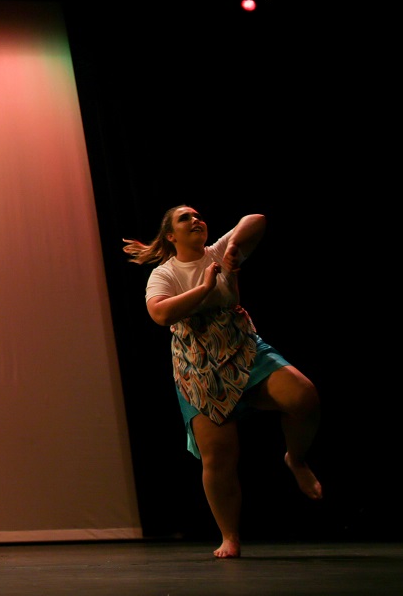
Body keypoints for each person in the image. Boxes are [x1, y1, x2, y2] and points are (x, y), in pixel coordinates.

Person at [123, 206, 321, 558]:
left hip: (242, 350)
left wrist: (232, 250)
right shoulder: (164, 274)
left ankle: (297, 459)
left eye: (197, 215)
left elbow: (257, 220)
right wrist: (206, 286)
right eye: (185, 218)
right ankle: (230, 536)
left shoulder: (217, 251)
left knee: (302, 395)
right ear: (171, 236)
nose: (195, 220)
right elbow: (160, 313)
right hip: (198, 366)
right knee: (218, 457)